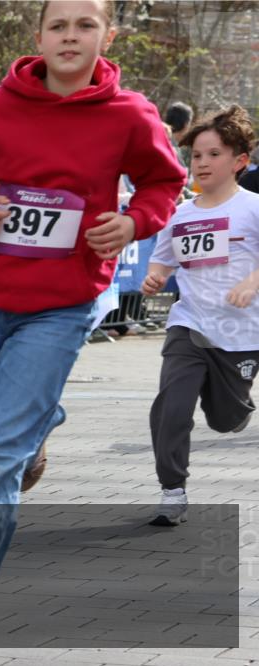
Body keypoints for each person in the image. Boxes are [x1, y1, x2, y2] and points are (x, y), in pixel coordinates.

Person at [0, 1, 185, 666]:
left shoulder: (130, 115)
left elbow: (164, 182)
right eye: (59, 25)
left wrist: (134, 223)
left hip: (64, 304)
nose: (71, 36)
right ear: (39, 37)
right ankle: (41, 421)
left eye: (86, 25)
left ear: (107, 36)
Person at [140, 105, 258, 527]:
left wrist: (252, 282)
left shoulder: (253, 208)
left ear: (239, 161)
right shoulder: (181, 213)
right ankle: (172, 489)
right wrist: (155, 278)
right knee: (172, 405)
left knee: (226, 420)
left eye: (214, 154)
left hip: (241, 334)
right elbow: (161, 262)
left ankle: (238, 405)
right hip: (189, 324)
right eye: (197, 156)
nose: (203, 163)